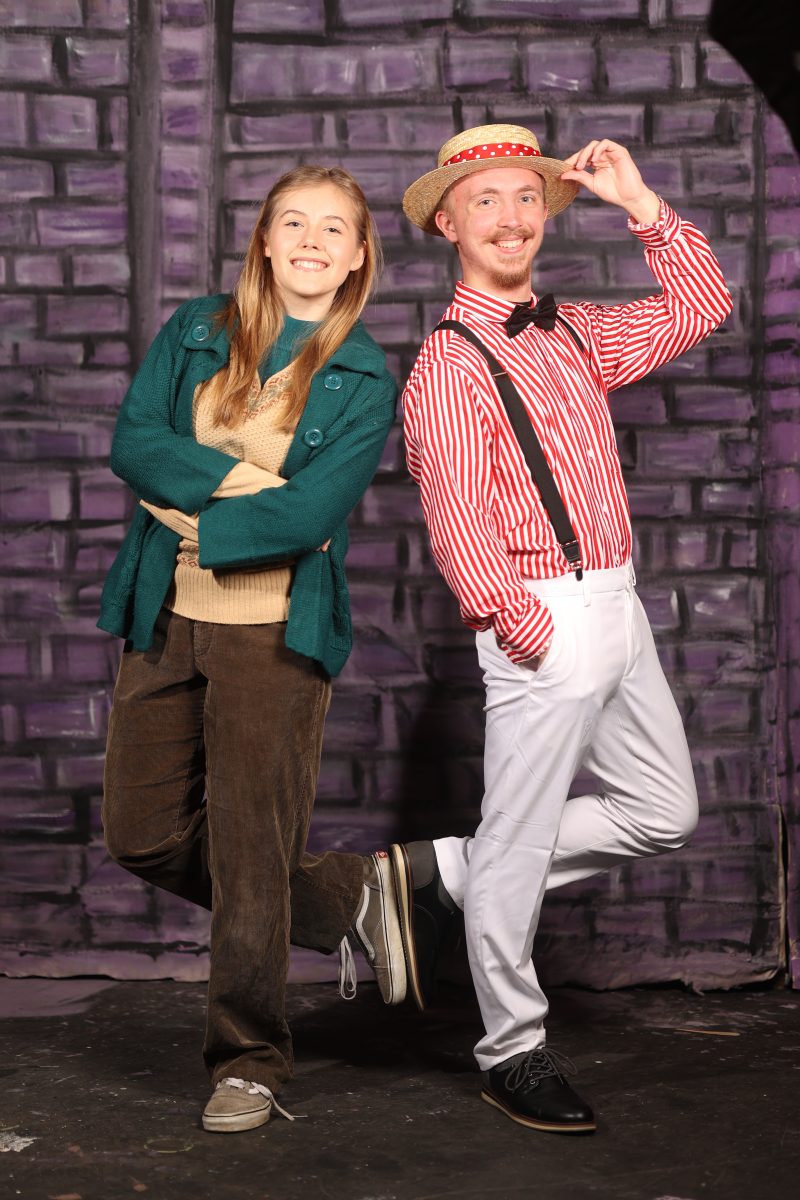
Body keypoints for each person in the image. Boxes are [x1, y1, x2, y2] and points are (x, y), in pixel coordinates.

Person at [388, 125, 733, 1133]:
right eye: (484, 201)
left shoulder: (574, 330)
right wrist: (514, 618)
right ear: (448, 224)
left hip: (618, 604)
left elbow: (701, 305)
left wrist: (639, 205)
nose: (509, 219)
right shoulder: (448, 362)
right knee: (519, 836)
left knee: (661, 811)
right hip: (541, 613)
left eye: (525, 197)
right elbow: (455, 510)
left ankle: (451, 872)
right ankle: (511, 1049)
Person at [99, 165, 407, 1134]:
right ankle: (354, 902)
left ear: (358, 255)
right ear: (264, 242)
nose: (311, 241)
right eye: (293, 224)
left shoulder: (364, 374)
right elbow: (133, 441)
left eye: (333, 229)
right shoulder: (197, 329)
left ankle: (248, 1062)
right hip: (165, 612)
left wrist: (195, 503)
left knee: (247, 847)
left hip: (274, 632)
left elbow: (313, 515)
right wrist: (247, 488)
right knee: (141, 832)